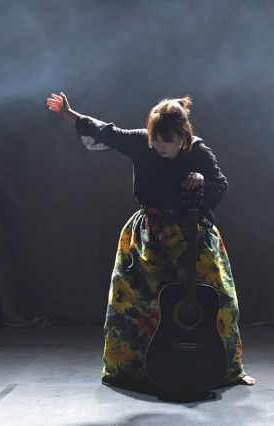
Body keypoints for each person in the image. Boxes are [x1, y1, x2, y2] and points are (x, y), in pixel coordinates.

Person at [47, 92, 256, 393]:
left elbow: (220, 185)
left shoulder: (198, 151)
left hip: (191, 235)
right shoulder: (142, 142)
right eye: (155, 139)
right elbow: (106, 131)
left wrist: (201, 180)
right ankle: (138, 370)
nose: (159, 145)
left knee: (216, 301)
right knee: (137, 304)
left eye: (166, 140)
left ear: (183, 137)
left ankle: (227, 369)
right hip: (149, 236)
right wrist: (70, 114)